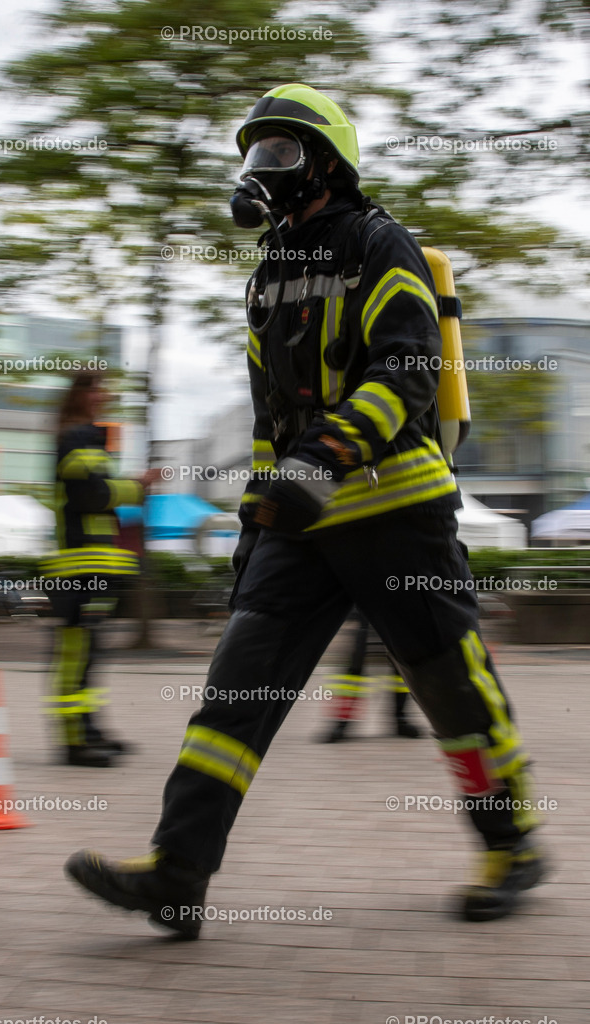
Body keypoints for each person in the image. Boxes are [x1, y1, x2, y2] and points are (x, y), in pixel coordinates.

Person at [65, 84, 546, 932]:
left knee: (452, 689)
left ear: (328, 163)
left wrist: (322, 458)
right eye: (257, 153)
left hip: (396, 510)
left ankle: (512, 848)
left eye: (280, 152)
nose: (263, 168)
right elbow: (271, 422)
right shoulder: (267, 279)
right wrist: (257, 520)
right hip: (301, 519)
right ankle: (178, 875)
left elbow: (406, 370)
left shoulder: (378, 244)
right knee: (234, 693)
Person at [43, 370, 156, 768]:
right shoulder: (76, 437)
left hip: (90, 565)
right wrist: (137, 486)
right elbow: (91, 496)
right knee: (77, 654)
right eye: (98, 389)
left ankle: (89, 730)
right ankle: (75, 742)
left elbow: (94, 494)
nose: (105, 396)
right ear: (81, 395)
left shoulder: (84, 438)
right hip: (80, 566)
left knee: (88, 653)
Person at [321, 611, 423, 742]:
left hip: (395, 609)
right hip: (365, 609)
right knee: (355, 665)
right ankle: (341, 722)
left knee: (400, 665)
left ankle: (400, 719)